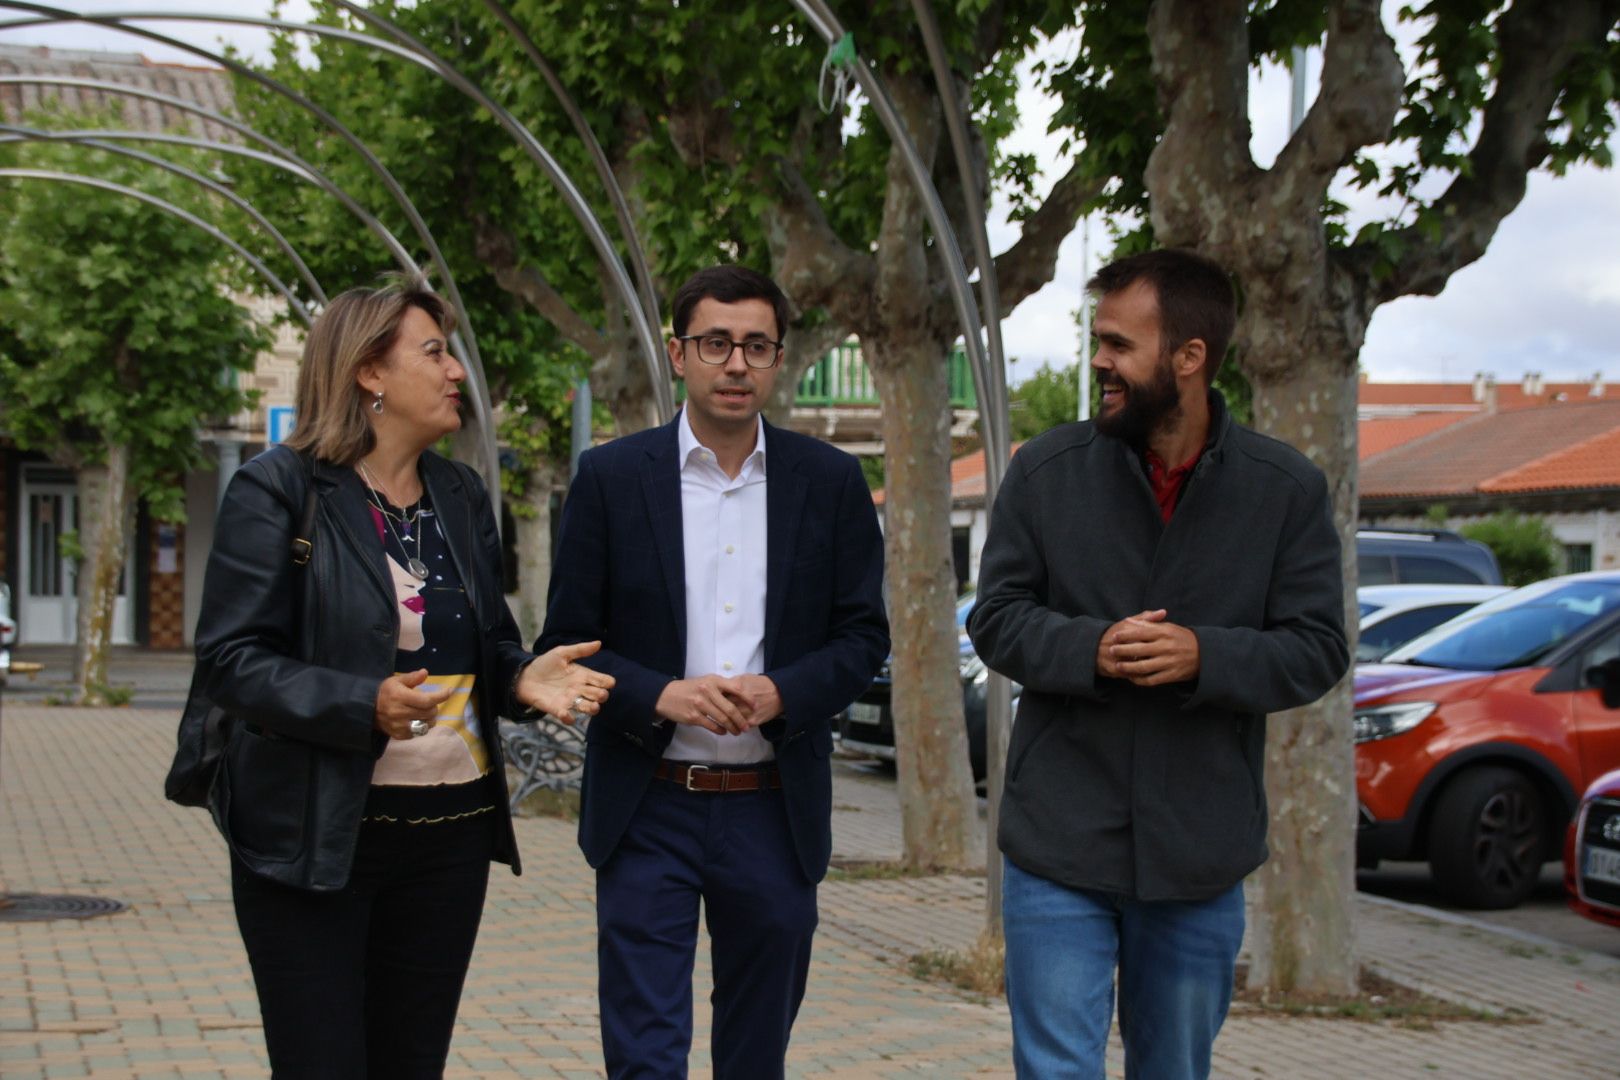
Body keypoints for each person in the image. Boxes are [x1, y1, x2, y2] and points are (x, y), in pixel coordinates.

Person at [193, 277, 615, 1078]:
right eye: (435, 351)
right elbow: (230, 661)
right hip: (316, 837)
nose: (455, 370)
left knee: (411, 1064)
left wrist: (523, 677)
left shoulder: (457, 494)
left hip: (449, 838)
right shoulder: (278, 489)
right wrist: (363, 703)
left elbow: (484, 642)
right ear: (369, 372)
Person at [968, 248, 1349, 1079]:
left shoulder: (1285, 490)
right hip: (1058, 843)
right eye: (1097, 340)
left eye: (1118, 345)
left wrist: (1204, 655)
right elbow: (995, 619)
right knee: (1057, 1070)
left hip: (1198, 851)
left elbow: (1318, 647)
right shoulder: (1045, 471)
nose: (1098, 361)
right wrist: (1091, 648)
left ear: (1189, 358)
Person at [537, 265, 889, 1079]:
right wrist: (660, 692)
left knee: (755, 1055)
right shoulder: (612, 479)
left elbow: (862, 637)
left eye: (756, 346)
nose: (736, 363)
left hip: (772, 810)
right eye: (716, 343)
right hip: (646, 804)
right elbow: (568, 644)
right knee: (644, 1057)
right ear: (678, 353)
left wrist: (783, 692)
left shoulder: (830, 483)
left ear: (777, 359)